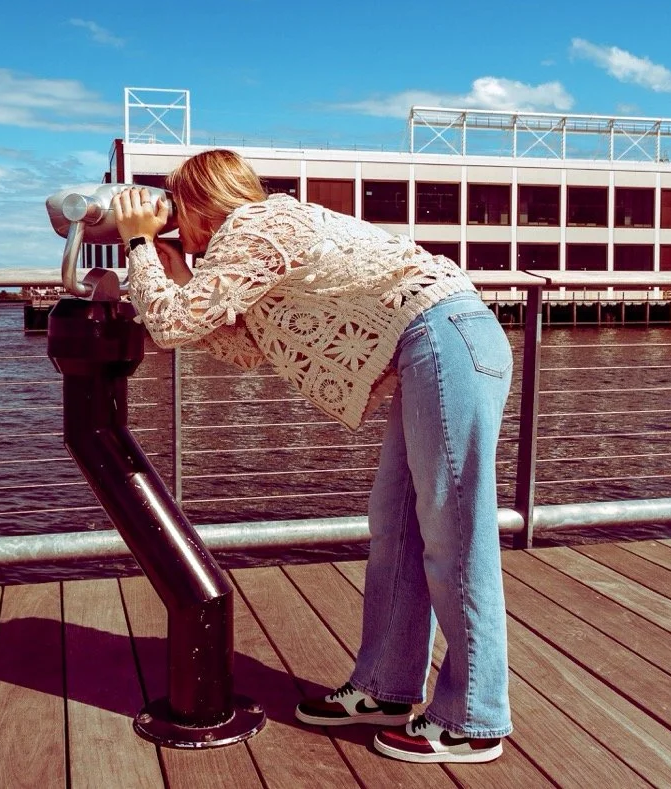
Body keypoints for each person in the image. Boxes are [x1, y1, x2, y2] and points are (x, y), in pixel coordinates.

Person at [113, 149, 512, 765]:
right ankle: (384, 687)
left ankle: (473, 718)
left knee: (453, 534)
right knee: (399, 530)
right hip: (431, 349)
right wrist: (175, 270)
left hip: (443, 338)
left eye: (173, 210)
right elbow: (242, 347)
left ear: (197, 201)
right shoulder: (251, 244)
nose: (171, 225)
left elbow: (167, 326)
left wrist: (140, 247)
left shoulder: (255, 226)